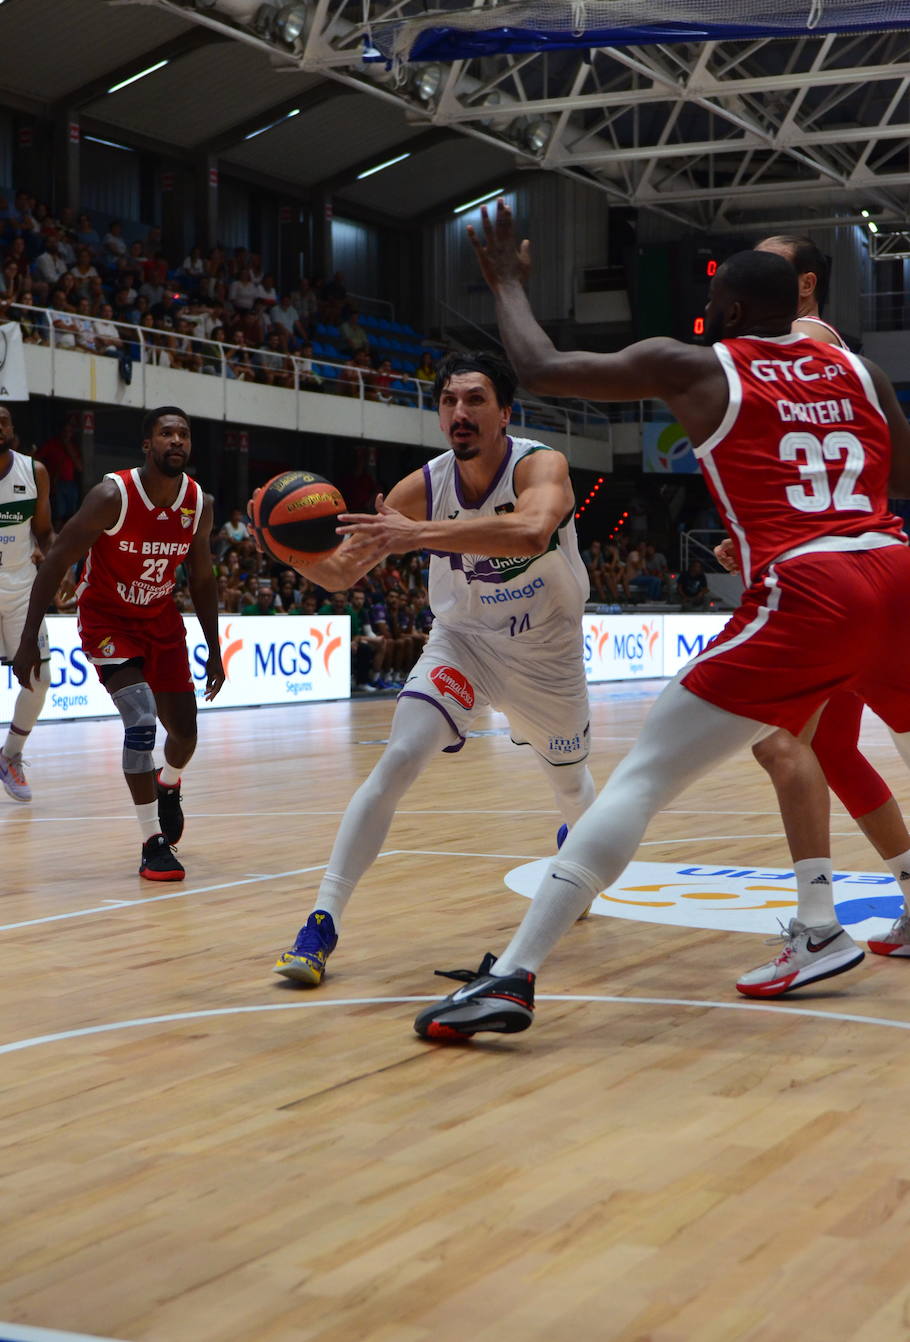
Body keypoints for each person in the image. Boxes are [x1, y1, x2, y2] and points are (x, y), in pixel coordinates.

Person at [413, 204, 910, 1041]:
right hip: (894, 570)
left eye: (715, 302)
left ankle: (515, 977)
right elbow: (898, 465)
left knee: (644, 774)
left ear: (730, 312)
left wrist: (503, 283)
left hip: (816, 589)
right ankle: (824, 922)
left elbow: (538, 363)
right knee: (816, 744)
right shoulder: (862, 371)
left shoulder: (698, 365)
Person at [272, 349, 597, 986]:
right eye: (449, 400)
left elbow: (532, 532)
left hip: (546, 653)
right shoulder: (420, 488)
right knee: (398, 759)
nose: (459, 412)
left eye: (475, 399)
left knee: (571, 783)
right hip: (463, 642)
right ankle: (320, 923)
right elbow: (341, 573)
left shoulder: (542, 464)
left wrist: (416, 536)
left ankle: (575, 847)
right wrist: (282, 545)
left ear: (506, 411)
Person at [727, 233, 910, 989]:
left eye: (769, 263)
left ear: (802, 285)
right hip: (859, 575)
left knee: (779, 743)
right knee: (834, 750)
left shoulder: (805, 346)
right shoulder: (819, 357)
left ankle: (818, 926)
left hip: (839, 585)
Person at [12, 407, 225, 883]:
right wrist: (28, 640)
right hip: (108, 620)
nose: (177, 441)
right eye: (166, 433)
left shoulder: (199, 503)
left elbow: (204, 577)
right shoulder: (113, 495)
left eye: (184, 434)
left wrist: (214, 645)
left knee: (185, 735)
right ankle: (153, 843)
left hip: (162, 621)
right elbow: (54, 563)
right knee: (142, 717)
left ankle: (168, 785)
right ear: (147, 445)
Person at [0, 408, 54, 802]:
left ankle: (11, 756)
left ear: (12, 430)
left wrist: (51, 564)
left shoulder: (34, 472)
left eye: (1, 420)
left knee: (39, 679)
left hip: (21, 588)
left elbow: (45, 532)